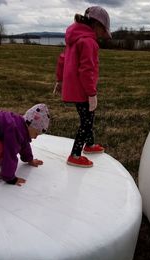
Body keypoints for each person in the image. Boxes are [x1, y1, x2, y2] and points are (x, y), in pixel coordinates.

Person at [54, 6, 112, 168]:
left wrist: (59, 80)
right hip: (82, 91)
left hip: (74, 89)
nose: (102, 35)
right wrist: (91, 93)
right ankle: (75, 154)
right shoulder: (89, 42)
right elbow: (87, 70)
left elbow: (62, 59)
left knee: (88, 118)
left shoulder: (74, 39)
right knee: (86, 122)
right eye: (103, 30)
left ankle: (90, 145)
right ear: (96, 25)